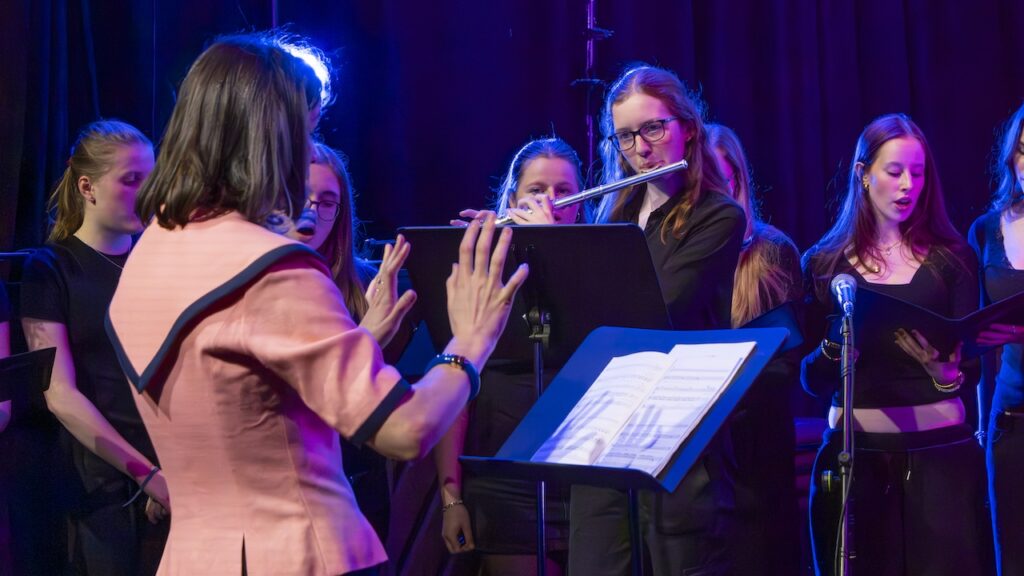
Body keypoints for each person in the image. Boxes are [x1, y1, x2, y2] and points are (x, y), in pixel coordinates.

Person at [105, 33, 528, 575]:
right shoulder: (272, 267)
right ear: (269, 138)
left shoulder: (150, 252)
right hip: (303, 556)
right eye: (305, 132)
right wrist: (470, 340)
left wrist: (357, 346)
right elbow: (405, 431)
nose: (309, 152)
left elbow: (238, 398)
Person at [569, 64, 745, 576]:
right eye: (625, 136)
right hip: (604, 433)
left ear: (687, 128)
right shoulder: (612, 218)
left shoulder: (718, 216)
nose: (641, 148)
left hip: (676, 437)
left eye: (653, 128)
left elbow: (660, 308)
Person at [802, 113, 990, 575]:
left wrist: (948, 376)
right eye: (894, 171)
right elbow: (809, 379)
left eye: (919, 173)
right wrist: (836, 350)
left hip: (942, 460)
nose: (909, 185)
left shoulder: (954, 258)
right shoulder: (825, 264)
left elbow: (974, 364)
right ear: (863, 175)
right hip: (856, 464)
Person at [19, 119, 167, 575]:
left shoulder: (160, 260)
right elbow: (60, 395)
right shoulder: (52, 267)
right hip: (104, 480)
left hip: (178, 466)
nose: (145, 193)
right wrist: (148, 476)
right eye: (130, 180)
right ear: (87, 186)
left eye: (151, 180)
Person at [437, 137, 585, 575]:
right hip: (505, 483)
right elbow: (452, 389)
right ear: (512, 198)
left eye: (564, 192)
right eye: (537, 191)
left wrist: (552, 249)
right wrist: (451, 498)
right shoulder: (481, 274)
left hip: (588, 483)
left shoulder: (603, 269)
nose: (551, 201)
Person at [707, 123, 802, 574]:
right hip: (700, 461)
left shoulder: (773, 252)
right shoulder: (669, 256)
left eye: (722, 180)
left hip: (758, 457)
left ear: (738, 181)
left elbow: (788, 364)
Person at [970, 102, 1024, 576]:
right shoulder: (988, 230)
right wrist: (982, 422)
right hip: (1010, 420)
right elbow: (976, 336)